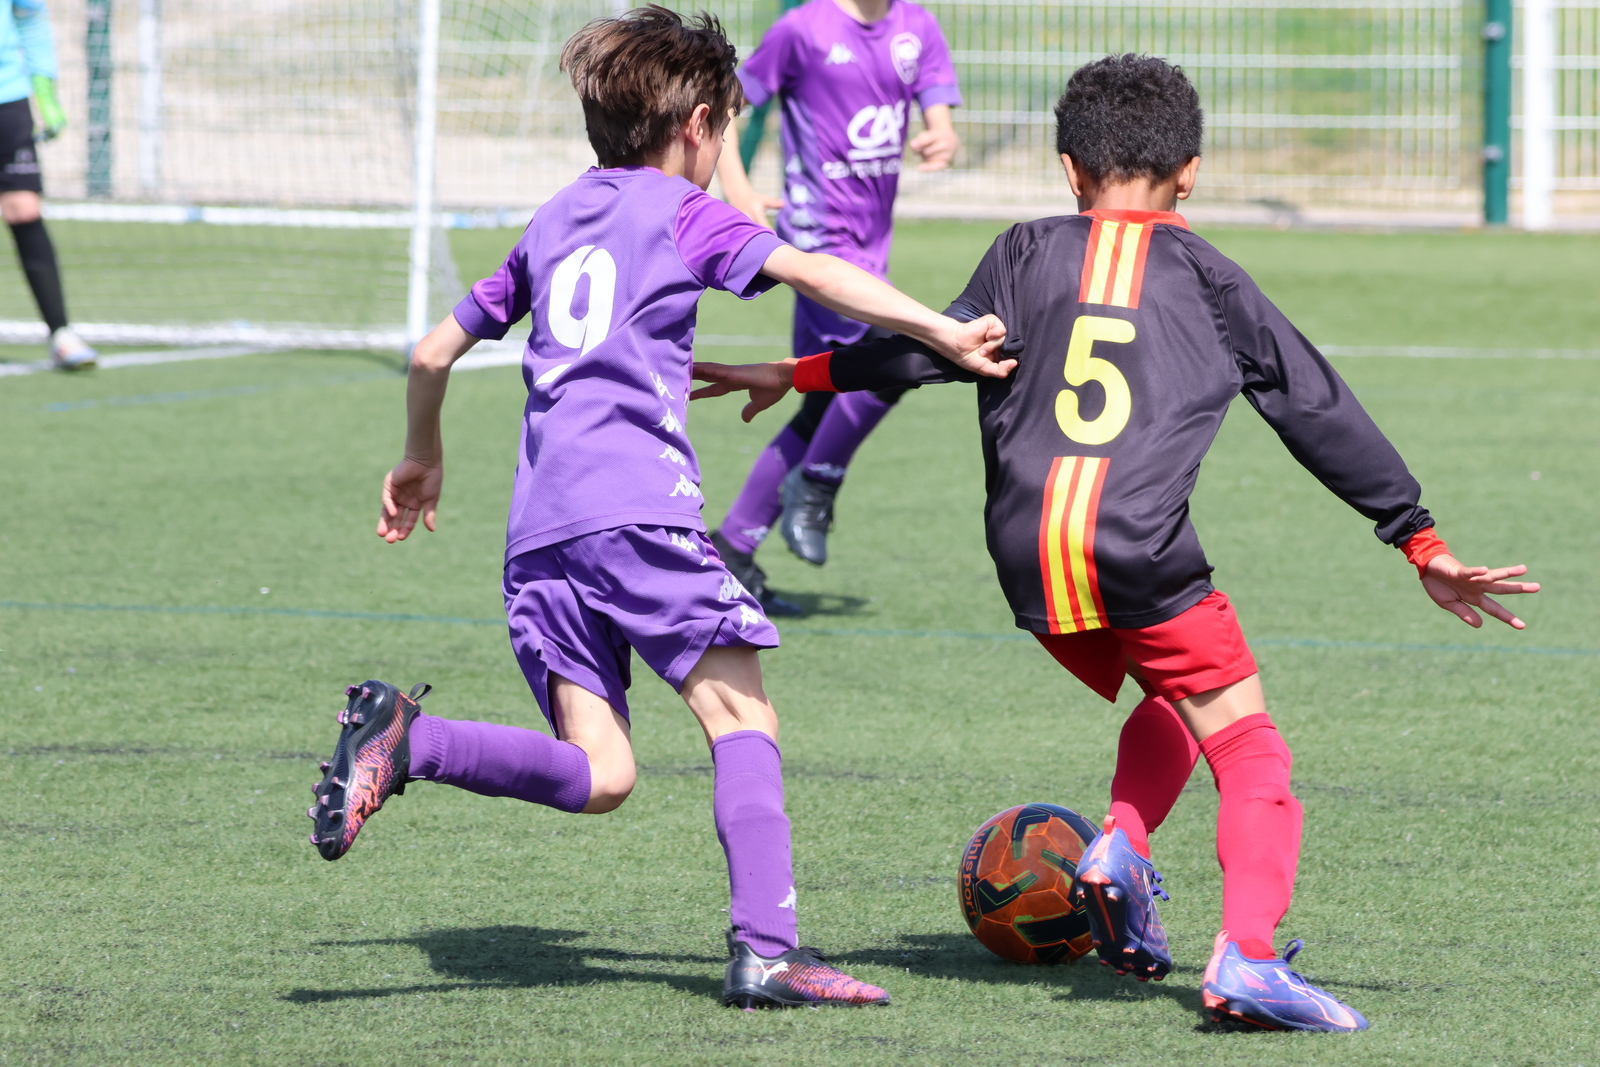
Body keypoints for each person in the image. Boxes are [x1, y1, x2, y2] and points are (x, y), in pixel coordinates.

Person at [691, 53, 1539, 1031]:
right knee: (1251, 746)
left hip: (1028, 552)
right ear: (1191, 172)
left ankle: (1121, 847)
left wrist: (798, 373)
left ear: (1069, 169)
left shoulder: (1021, 250)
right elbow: (1316, 409)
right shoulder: (1213, 278)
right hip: (1140, 549)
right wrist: (1417, 537)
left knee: (1175, 696)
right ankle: (1248, 957)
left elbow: (933, 346)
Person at [303, 6, 1008, 1010]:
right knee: (739, 711)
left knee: (601, 772)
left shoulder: (554, 218)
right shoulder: (684, 211)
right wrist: (942, 330)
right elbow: (809, 269)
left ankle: (410, 739)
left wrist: (421, 456)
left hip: (540, 535)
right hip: (638, 513)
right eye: (721, 130)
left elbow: (431, 353)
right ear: (697, 126)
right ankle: (767, 951)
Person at [710, 0, 962, 612]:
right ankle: (819, 482)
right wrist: (739, 192)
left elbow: (938, 114)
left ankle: (734, 548)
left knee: (826, 393)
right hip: (819, 242)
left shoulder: (916, 26)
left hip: (871, 248)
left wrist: (942, 136)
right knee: (900, 361)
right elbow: (724, 110)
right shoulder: (802, 30)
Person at [1, 1, 94, 369]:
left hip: (7, 98)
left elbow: (31, 19)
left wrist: (44, 91)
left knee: (24, 209)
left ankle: (61, 333)